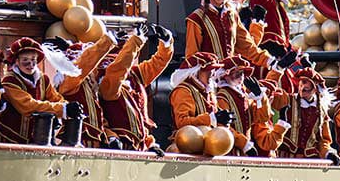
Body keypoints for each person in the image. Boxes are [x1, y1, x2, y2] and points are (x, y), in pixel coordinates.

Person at [99, 25, 174, 153]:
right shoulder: (107, 80)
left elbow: (158, 63)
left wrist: (166, 43)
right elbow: (118, 69)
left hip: (139, 147)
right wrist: (135, 42)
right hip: (118, 147)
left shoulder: (135, 75)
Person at [0, 38, 82, 144]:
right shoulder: (9, 81)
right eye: (25, 60)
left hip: (38, 137)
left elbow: (55, 98)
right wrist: (62, 109)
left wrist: (68, 106)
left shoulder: (43, 78)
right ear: (16, 61)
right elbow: (28, 106)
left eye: (33, 60)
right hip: (10, 137)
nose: (30, 64)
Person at [185, 0, 275, 71]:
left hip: (229, 75)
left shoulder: (232, 16)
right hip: (207, 78)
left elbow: (248, 47)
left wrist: (270, 61)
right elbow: (192, 55)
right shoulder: (196, 18)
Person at [49, 33, 117, 148]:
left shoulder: (89, 86)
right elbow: (83, 65)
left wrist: (111, 136)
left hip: (96, 141)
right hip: (78, 139)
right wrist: (106, 42)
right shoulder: (68, 81)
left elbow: (99, 118)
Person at [215, 55, 290, 157]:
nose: (241, 76)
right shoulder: (222, 97)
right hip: (229, 151)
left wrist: (261, 98)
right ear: (225, 75)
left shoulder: (244, 96)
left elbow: (263, 117)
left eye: (242, 73)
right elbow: (222, 127)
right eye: (237, 73)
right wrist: (244, 144)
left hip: (244, 153)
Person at [270, 66, 340, 164]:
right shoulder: (287, 100)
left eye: (306, 83)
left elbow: (323, 140)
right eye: (301, 82)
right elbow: (269, 91)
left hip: (310, 159)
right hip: (286, 157)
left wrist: (328, 153)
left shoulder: (321, 111)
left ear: (315, 89)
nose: (303, 86)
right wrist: (277, 69)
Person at [169, 52, 231, 135]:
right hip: (189, 144)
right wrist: (210, 119)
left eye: (213, 70)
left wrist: (222, 120)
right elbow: (181, 123)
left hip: (210, 143)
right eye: (208, 70)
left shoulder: (209, 91)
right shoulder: (183, 91)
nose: (212, 74)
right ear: (196, 72)